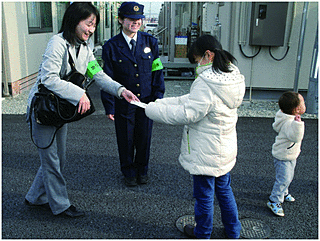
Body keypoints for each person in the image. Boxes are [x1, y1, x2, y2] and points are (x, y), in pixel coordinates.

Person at [25, 2, 139, 218]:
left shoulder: (85, 48)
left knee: (58, 157)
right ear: (74, 21)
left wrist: (121, 90)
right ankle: (60, 205)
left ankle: (34, 197)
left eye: (94, 25)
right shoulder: (56, 43)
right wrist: (79, 94)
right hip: (43, 110)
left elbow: (98, 75)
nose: (92, 29)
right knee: (51, 160)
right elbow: (48, 78)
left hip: (60, 109)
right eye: (89, 24)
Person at [145, 35, 245, 239]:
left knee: (204, 196)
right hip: (224, 149)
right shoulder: (231, 76)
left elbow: (187, 113)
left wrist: (150, 110)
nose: (197, 65)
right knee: (224, 191)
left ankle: (203, 233)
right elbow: (190, 101)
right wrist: (161, 103)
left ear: (208, 55)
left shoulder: (206, 82)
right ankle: (234, 231)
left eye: (198, 59)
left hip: (206, 152)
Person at [100, 2, 165, 186]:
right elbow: (107, 78)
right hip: (123, 101)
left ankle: (142, 170)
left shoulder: (150, 42)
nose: (135, 22)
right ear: (120, 20)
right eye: (130, 19)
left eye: (139, 19)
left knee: (144, 137)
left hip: (146, 100)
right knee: (125, 138)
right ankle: (128, 171)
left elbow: (157, 71)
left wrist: (158, 97)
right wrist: (109, 105)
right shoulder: (111, 46)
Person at [267, 91, 306, 217]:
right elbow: (296, 137)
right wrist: (298, 124)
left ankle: (283, 192)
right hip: (284, 155)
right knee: (284, 178)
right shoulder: (290, 123)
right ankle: (274, 200)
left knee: (288, 176)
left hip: (288, 153)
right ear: (297, 110)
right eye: (303, 103)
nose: (305, 104)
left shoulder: (285, 116)